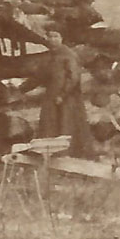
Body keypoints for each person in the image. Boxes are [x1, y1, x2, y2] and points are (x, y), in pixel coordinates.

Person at [35, 27, 96, 159]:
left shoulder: (68, 55)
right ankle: (51, 154)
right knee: (50, 124)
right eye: (50, 37)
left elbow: (73, 77)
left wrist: (62, 95)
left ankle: (69, 154)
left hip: (67, 97)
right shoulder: (51, 55)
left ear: (62, 39)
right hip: (52, 94)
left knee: (66, 124)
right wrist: (21, 88)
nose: (52, 40)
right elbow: (41, 75)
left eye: (56, 36)